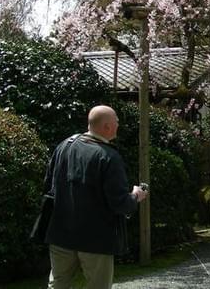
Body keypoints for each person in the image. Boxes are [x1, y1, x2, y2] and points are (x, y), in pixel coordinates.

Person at [43, 105, 148, 289]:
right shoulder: (108, 156)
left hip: (60, 233)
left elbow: (48, 185)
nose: (118, 125)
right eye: (116, 121)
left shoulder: (64, 145)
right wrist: (135, 196)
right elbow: (120, 204)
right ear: (107, 127)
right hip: (95, 239)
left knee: (58, 285)